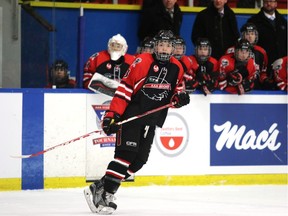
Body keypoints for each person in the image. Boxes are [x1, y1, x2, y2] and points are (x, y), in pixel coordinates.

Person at [84, 30, 190, 214]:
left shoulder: (178, 68)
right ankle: (105, 195)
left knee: (138, 162)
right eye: (161, 44)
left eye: (168, 45)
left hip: (152, 119)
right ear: (155, 46)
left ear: (173, 48)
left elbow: (174, 94)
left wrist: (180, 99)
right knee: (126, 156)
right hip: (131, 116)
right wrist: (112, 115)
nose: (164, 48)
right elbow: (124, 91)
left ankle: (100, 186)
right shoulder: (142, 62)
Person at [247, 0, 287, 89]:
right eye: (266, 1)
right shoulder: (254, 21)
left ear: (276, 3)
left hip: (281, 66)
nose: (269, 4)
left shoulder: (283, 21)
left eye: (272, 1)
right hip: (263, 66)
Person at [226, 23, 269, 90]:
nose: (250, 37)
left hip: (257, 90)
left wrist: (266, 81)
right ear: (243, 35)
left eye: (252, 34)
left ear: (256, 36)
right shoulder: (231, 50)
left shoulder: (261, 52)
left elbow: (263, 72)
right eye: (247, 34)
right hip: (236, 89)